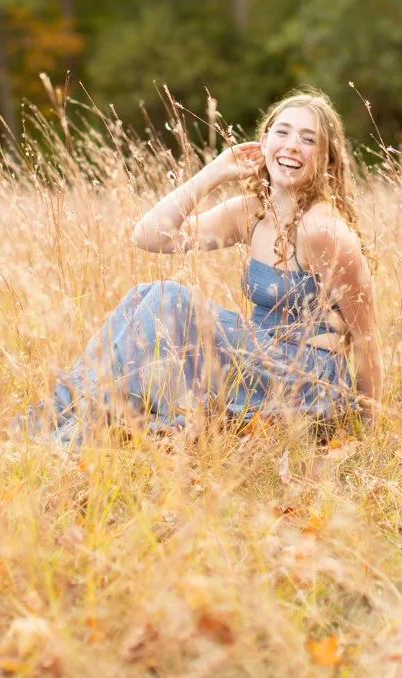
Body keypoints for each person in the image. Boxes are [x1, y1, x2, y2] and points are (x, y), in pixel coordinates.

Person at [22, 88, 382, 446]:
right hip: (259, 361)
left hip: (307, 382)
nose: (291, 145)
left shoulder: (324, 231)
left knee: (169, 299)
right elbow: (150, 237)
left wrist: (368, 434)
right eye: (282, 132)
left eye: (308, 139)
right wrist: (214, 172)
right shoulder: (251, 212)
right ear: (263, 143)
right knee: (142, 296)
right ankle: (74, 414)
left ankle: (78, 423)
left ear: (326, 158)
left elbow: (367, 339)